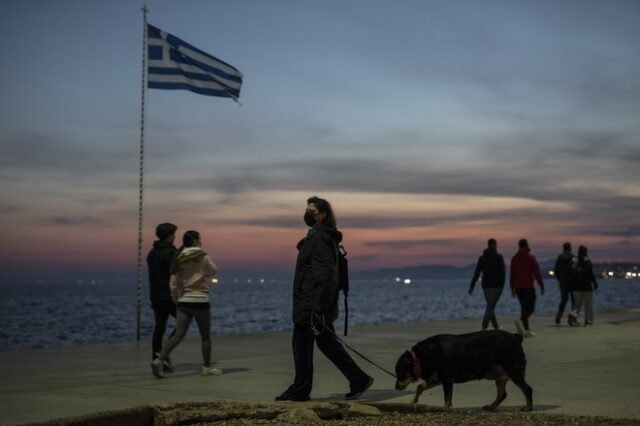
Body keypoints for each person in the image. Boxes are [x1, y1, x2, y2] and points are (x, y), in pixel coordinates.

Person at [276, 196, 373, 402]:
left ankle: (300, 389)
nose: (308, 214)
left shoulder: (320, 239)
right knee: (327, 344)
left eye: (312, 211)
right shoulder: (317, 237)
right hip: (314, 303)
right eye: (307, 209)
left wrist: (317, 308)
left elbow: (325, 275)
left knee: (301, 345)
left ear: (323, 215)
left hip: (312, 305)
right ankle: (358, 379)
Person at [150, 230, 221, 378]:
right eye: (200, 239)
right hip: (200, 301)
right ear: (195, 241)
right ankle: (207, 368)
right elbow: (214, 270)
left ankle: (159, 359)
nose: (201, 241)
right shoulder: (202, 256)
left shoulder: (178, 257)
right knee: (205, 337)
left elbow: (173, 284)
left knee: (178, 335)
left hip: (184, 301)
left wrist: (177, 300)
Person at [146, 222, 178, 372]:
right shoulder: (170, 252)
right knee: (183, 322)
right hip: (169, 295)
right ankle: (164, 353)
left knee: (159, 328)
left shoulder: (151, 253)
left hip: (155, 295)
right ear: (169, 236)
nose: (175, 237)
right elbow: (175, 271)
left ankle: (156, 359)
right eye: (174, 234)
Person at [468, 238, 506, 330]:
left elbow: (477, 273)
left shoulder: (482, 258)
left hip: (486, 286)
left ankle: (495, 326)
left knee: (490, 305)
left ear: (488, 245)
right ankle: (484, 326)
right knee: (490, 306)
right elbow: (503, 273)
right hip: (497, 286)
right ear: (495, 245)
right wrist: (502, 286)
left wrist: (472, 287)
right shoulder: (499, 257)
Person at [510, 239, 545, 337]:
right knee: (530, 308)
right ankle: (523, 324)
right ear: (527, 245)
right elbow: (537, 272)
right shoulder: (531, 258)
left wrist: (512, 288)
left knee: (524, 307)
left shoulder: (514, 259)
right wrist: (541, 285)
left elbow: (512, 275)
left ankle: (525, 328)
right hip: (528, 287)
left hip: (519, 287)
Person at [569, 245, 599, 327]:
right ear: (586, 252)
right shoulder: (587, 261)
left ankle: (573, 320)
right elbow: (590, 274)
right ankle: (588, 321)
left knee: (577, 304)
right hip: (586, 286)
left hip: (575, 287)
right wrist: (595, 283)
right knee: (588, 304)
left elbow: (571, 273)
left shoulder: (574, 260)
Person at [553, 242, 575, 325]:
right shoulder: (573, 258)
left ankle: (559, 316)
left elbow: (556, 271)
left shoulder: (559, 259)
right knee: (574, 302)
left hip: (563, 283)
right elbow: (576, 271)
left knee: (563, 300)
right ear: (570, 248)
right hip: (573, 283)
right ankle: (572, 318)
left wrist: (560, 279)